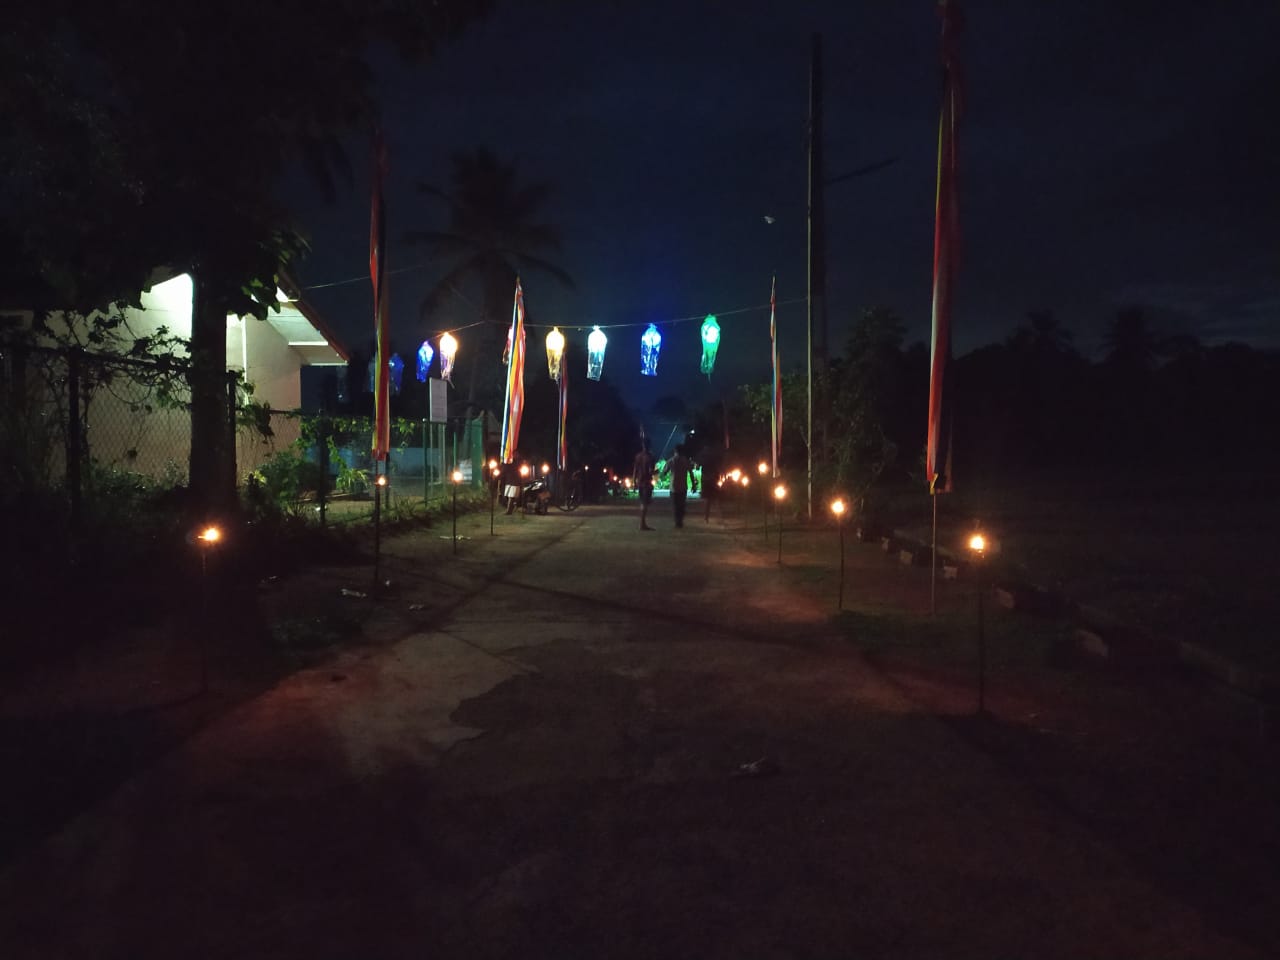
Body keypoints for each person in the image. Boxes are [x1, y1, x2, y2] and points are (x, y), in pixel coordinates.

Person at [663, 443, 693, 528]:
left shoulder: (671, 461)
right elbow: (691, 473)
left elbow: (664, 472)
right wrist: (693, 484)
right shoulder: (686, 461)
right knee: (682, 505)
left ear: (675, 451)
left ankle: (677, 521)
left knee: (675, 505)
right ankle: (680, 521)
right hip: (683, 486)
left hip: (674, 487)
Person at [632, 441, 656, 530]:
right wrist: (657, 472)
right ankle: (642, 524)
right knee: (645, 503)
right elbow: (650, 471)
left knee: (642, 502)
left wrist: (634, 482)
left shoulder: (638, 456)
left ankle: (643, 523)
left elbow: (635, 470)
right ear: (649, 446)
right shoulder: (650, 457)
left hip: (640, 482)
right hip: (646, 482)